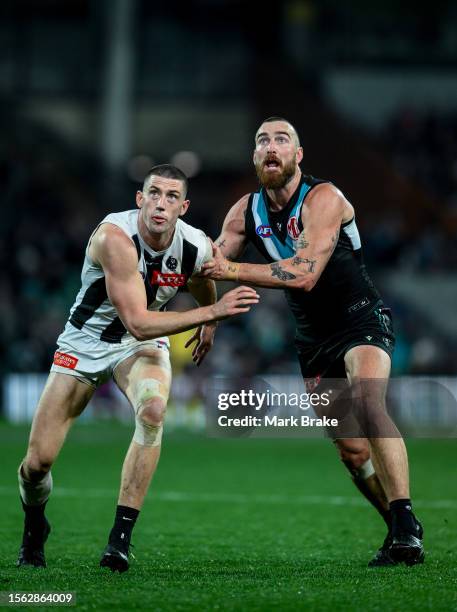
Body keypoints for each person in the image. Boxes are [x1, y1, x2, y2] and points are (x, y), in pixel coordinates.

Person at [201, 117, 424, 567]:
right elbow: (210, 260)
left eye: (281, 140)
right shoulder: (245, 211)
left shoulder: (323, 198)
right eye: (262, 140)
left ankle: (404, 522)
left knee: (367, 402)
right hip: (312, 339)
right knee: (352, 450)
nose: (271, 146)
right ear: (254, 157)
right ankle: (399, 528)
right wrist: (208, 316)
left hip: (360, 318)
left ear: (297, 156)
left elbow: (303, 274)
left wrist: (231, 273)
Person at [16, 164, 259, 573]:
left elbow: (200, 280)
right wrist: (213, 312)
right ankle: (35, 526)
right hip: (87, 343)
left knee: (153, 411)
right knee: (37, 464)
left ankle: (119, 542)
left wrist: (210, 320)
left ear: (183, 207)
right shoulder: (114, 238)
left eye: (170, 197)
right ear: (139, 199)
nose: (160, 203)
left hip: (141, 346)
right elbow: (138, 320)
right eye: (154, 193)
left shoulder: (195, 244)